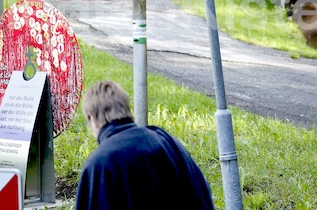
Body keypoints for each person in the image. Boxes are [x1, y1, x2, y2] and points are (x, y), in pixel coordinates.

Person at [75, 80, 215, 210]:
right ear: (126, 108)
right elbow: (201, 196)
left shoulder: (99, 164)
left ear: (90, 118)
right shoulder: (168, 142)